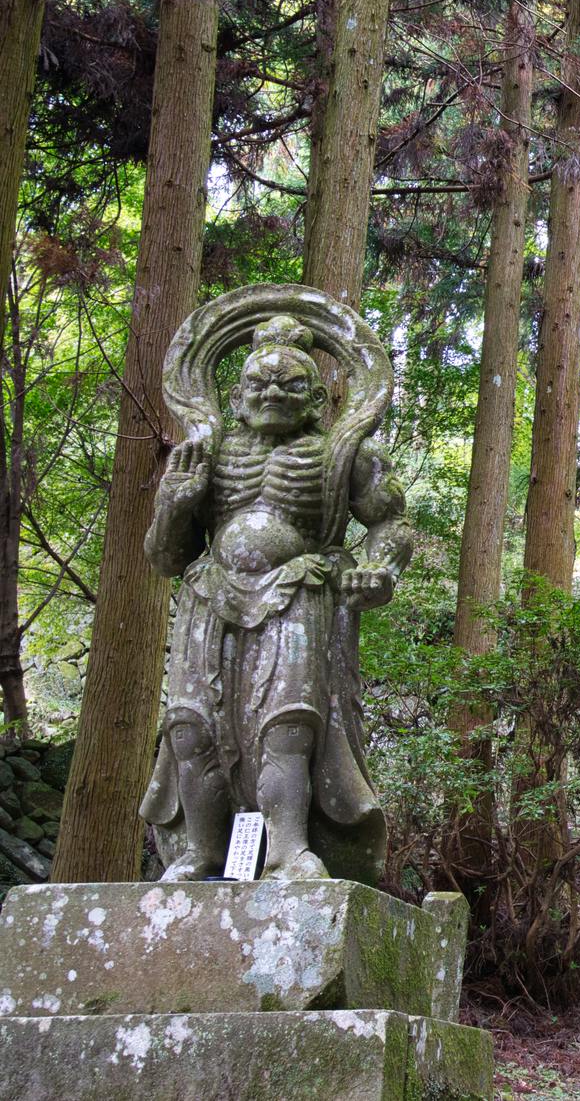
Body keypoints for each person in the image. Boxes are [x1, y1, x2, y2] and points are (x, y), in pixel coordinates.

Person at [139, 312, 407, 882]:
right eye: (259, 384)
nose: (273, 394)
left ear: (316, 400)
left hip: (297, 592)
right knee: (190, 726)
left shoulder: (341, 454)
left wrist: (379, 568)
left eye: (290, 386)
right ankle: (202, 851)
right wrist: (175, 505)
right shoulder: (206, 455)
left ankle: (289, 849)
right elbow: (166, 558)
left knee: (289, 726)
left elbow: (391, 524)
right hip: (210, 597)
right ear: (235, 396)